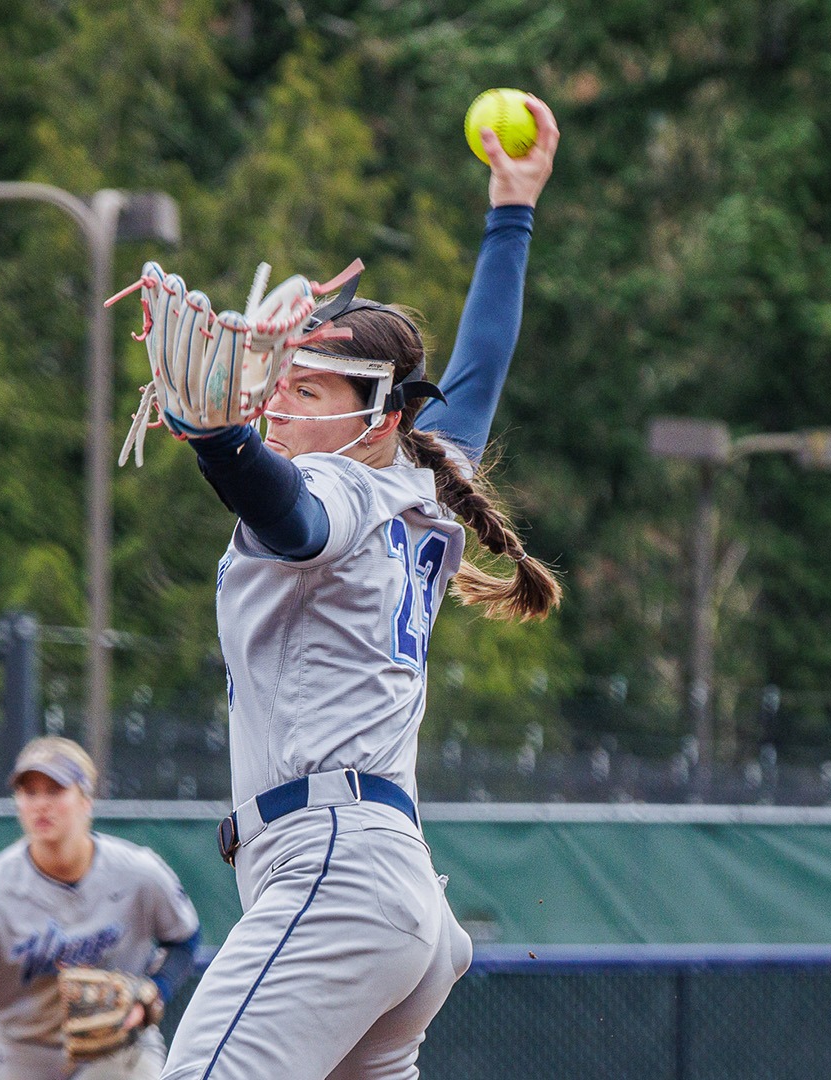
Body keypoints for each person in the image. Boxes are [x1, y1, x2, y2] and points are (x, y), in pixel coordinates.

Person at [152, 98, 563, 1080]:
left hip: (334, 871)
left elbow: (291, 518)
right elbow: (481, 367)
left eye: (308, 389)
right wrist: (512, 211)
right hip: (393, 893)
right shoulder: (420, 477)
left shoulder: (338, 484)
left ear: (378, 416)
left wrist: (219, 442)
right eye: (281, 384)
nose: (279, 402)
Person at [0, 737, 203, 1080]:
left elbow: (184, 939)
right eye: (29, 792)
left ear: (86, 800)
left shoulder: (139, 873)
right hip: (21, 1054)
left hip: (118, 1045)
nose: (41, 804)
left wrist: (154, 992)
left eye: (55, 790)